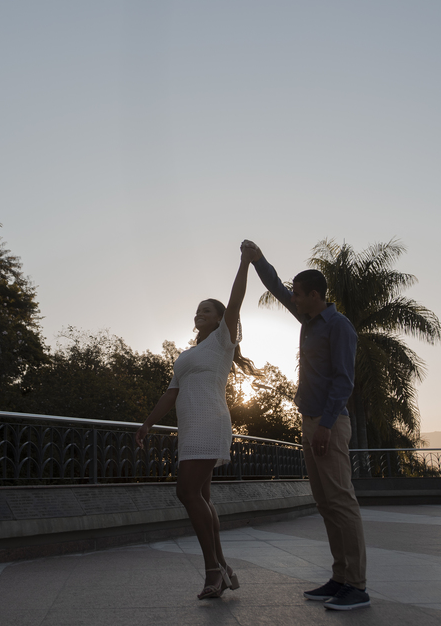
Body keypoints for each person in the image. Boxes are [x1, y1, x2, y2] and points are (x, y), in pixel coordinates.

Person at [242, 239, 371, 611]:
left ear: (315, 295)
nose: (293, 299)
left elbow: (344, 381)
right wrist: (258, 259)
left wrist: (327, 426)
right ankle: (340, 577)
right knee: (326, 503)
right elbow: (277, 287)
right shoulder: (310, 320)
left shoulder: (339, 327)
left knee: (341, 502)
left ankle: (357, 586)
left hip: (328, 424)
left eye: (299, 295)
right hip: (310, 422)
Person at [136, 244, 259, 600]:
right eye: (197, 311)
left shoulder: (223, 341)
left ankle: (212, 571)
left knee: (186, 492)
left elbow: (234, 302)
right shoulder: (186, 356)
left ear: (220, 320)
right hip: (189, 429)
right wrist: (147, 424)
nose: (199, 314)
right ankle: (222, 566)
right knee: (202, 496)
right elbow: (171, 394)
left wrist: (244, 263)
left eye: (206, 310)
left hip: (211, 423)